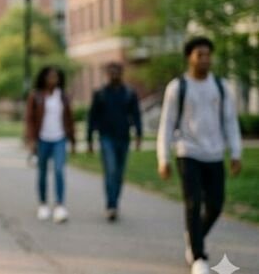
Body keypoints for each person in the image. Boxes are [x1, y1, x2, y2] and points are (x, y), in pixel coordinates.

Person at [156, 36, 242, 274]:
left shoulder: (222, 87)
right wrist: (163, 158)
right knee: (193, 204)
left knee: (215, 205)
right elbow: (166, 124)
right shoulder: (177, 87)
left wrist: (235, 153)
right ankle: (198, 256)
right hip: (188, 152)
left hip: (214, 154)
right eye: (199, 55)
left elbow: (230, 122)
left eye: (208, 55)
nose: (205, 59)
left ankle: (194, 235)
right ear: (189, 57)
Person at [87, 62, 142, 221]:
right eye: (110, 72)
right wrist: (90, 140)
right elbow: (92, 118)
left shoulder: (129, 94)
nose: (113, 75)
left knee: (119, 173)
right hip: (106, 137)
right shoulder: (100, 94)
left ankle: (115, 202)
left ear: (121, 73)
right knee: (110, 171)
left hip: (123, 138)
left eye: (116, 72)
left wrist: (138, 135)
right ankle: (111, 205)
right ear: (107, 74)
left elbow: (136, 115)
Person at [25, 66, 75, 224]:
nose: (54, 80)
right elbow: (30, 119)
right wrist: (32, 140)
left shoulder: (63, 97)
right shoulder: (36, 96)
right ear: (44, 79)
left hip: (59, 139)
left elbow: (69, 119)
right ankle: (43, 204)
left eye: (56, 77)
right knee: (42, 173)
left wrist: (72, 139)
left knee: (59, 171)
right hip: (42, 139)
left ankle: (60, 205)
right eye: (51, 77)